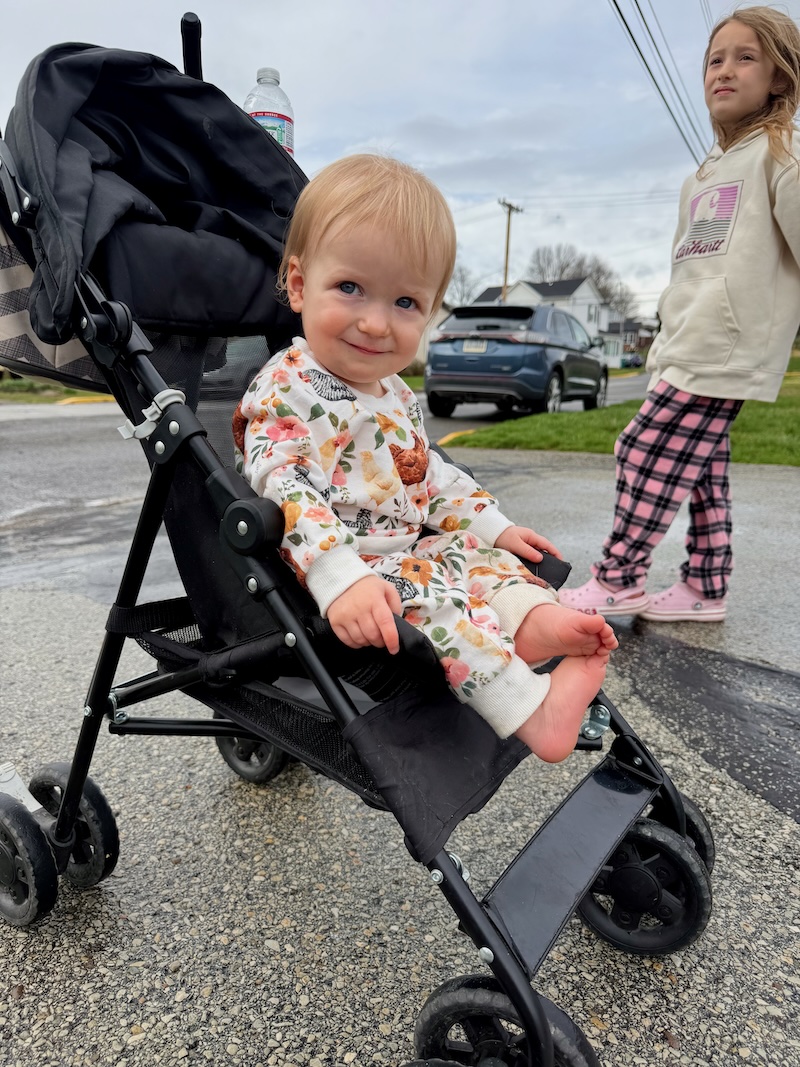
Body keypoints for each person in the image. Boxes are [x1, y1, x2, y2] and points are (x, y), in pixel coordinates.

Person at [233, 153, 617, 762]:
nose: (376, 323)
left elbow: (430, 477)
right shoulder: (289, 387)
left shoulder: (393, 394)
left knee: (479, 558)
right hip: (341, 575)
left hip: (406, 552)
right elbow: (288, 488)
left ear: (431, 310)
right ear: (300, 284)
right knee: (436, 606)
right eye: (351, 288)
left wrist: (494, 525)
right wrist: (339, 579)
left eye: (405, 303)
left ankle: (530, 620)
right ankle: (533, 711)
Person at [560, 5, 800, 624]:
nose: (724, 70)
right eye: (715, 60)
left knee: (642, 446)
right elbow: (687, 270)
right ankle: (704, 588)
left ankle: (619, 577)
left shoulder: (782, 152)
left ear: (779, 77)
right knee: (700, 469)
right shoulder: (705, 174)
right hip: (687, 342)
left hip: (729, 345)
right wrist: (662, 341)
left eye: (746, 57)